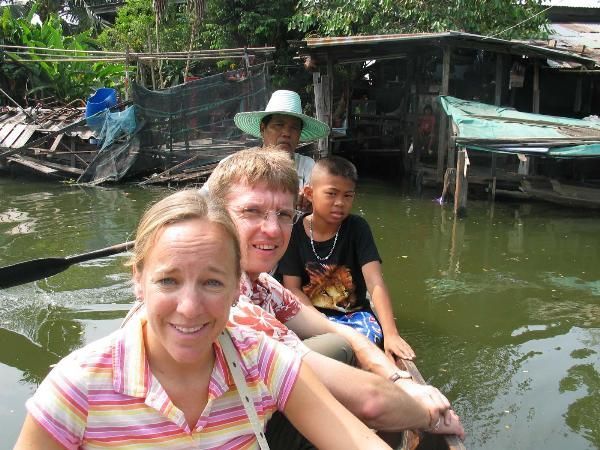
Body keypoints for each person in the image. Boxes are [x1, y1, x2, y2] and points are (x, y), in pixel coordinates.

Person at [14, 190, 392, 450]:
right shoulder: (77, 386)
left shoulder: (260, 359)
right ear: (138, 281)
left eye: (212, 282)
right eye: (168, 281)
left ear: (236, 286)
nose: (190, 307)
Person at [205, 147, 465, 438]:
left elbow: (344, 327)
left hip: (266, 407)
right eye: (252, 211)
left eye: (283, 214)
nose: (273, 229)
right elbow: (371, 402)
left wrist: (399, 378)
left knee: (344, 344)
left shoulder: (265, 285)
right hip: (242, 431)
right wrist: (425, 414)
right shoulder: (227, 300)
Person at [279, 156, 411, 360]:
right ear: (310, 193)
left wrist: (391, 334)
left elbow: (374, 281)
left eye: (348, 196)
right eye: (331, 194)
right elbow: (292, 288)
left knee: (362, 344)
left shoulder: (358, 228)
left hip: (354, 317)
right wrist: (320, 322)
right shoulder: (294, 232)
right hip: (311, 315)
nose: (340, 203)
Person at [234, 89, 329, 210]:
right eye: (279, 125)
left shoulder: (307, 166)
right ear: (263, 128)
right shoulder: (240, 164)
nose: (286, 133)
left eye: (294, 128)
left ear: (299, 134)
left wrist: (311, 200)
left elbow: (322, 201)